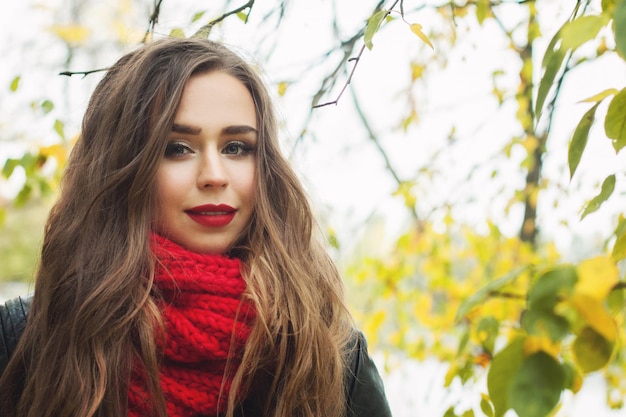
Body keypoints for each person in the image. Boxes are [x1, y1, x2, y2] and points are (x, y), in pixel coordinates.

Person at [0, 37, 392, 417]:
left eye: (236, 147)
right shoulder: (23, 342)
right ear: (122, 168)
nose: (214, 175)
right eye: (177, 148)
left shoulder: (332, 356)